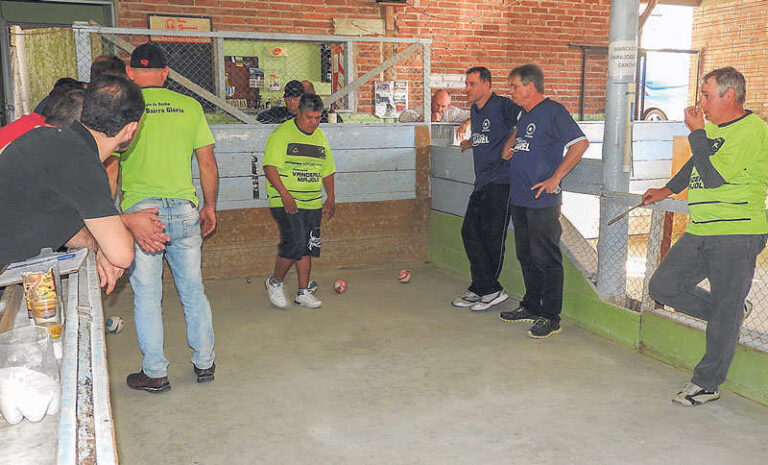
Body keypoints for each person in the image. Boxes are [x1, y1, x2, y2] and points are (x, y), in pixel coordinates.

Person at [642, 67, 768, 406]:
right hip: (701, 228)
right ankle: (731, 311)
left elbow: (712, 178)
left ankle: (707, 383)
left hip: (736, 231)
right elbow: (696, 166)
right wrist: (667, 189)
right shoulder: (712, 130)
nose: (700, 102)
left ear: (730, 95)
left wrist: (697, 132)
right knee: (663, 287)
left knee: (725, 311)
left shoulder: (754, 131)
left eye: (706, 95)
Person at [119, 43, 218, 392]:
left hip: (142, 214)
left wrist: (114, 216)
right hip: (183, 209)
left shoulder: (123, 107)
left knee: (147, 296)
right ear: (165, 74)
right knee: (192, 291)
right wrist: (209, 206)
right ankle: (205, 363)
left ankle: (156, 372)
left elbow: (112, 165)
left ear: (130, 73)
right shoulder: (190, 107)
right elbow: (206, 163)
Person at [0, 75, 143, 291]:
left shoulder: (52, 139)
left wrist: (101, 245)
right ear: (131, 129)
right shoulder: (81, 161)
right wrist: (112, 245)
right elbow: (122, 255)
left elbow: (66, 227)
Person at [499, 64, 589, 339]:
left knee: (545, 257)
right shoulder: (524, 114)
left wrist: (555, 178)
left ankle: (551, 316)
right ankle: (531, 305)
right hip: (520, 197)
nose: (510, 91)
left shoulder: (554, 112)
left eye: (514, 86)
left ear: (530, 87)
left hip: (542, 200)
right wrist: (511, 144)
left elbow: (580, 144)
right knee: (525, 254)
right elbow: (522, 134)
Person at [451, 67, 521, 312]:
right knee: (469, 232)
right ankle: (483, 286)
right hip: (481, 182)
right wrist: (471, 140)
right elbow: (485, 134)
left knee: (492, 238)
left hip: (502, 181)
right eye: (466, 83)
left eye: (471, 84)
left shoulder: (503, 105)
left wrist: (510, 143)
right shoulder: (475, 109)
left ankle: (490, 290)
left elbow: (527, 117)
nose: (466, 88)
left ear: (486, 84)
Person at [263, 93, 336, 309]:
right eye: (309, 118)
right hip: (285, 199)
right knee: (294, 242)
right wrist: (284, 194)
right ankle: (275, 282)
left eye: (317, 118)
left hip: (312, 201)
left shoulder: (320, 138)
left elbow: (328, 170)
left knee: (307, 246)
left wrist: (330, 197)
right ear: (299, 113)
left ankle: (303, 292)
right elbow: (270, 167)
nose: (314, 122)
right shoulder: (282, 134)